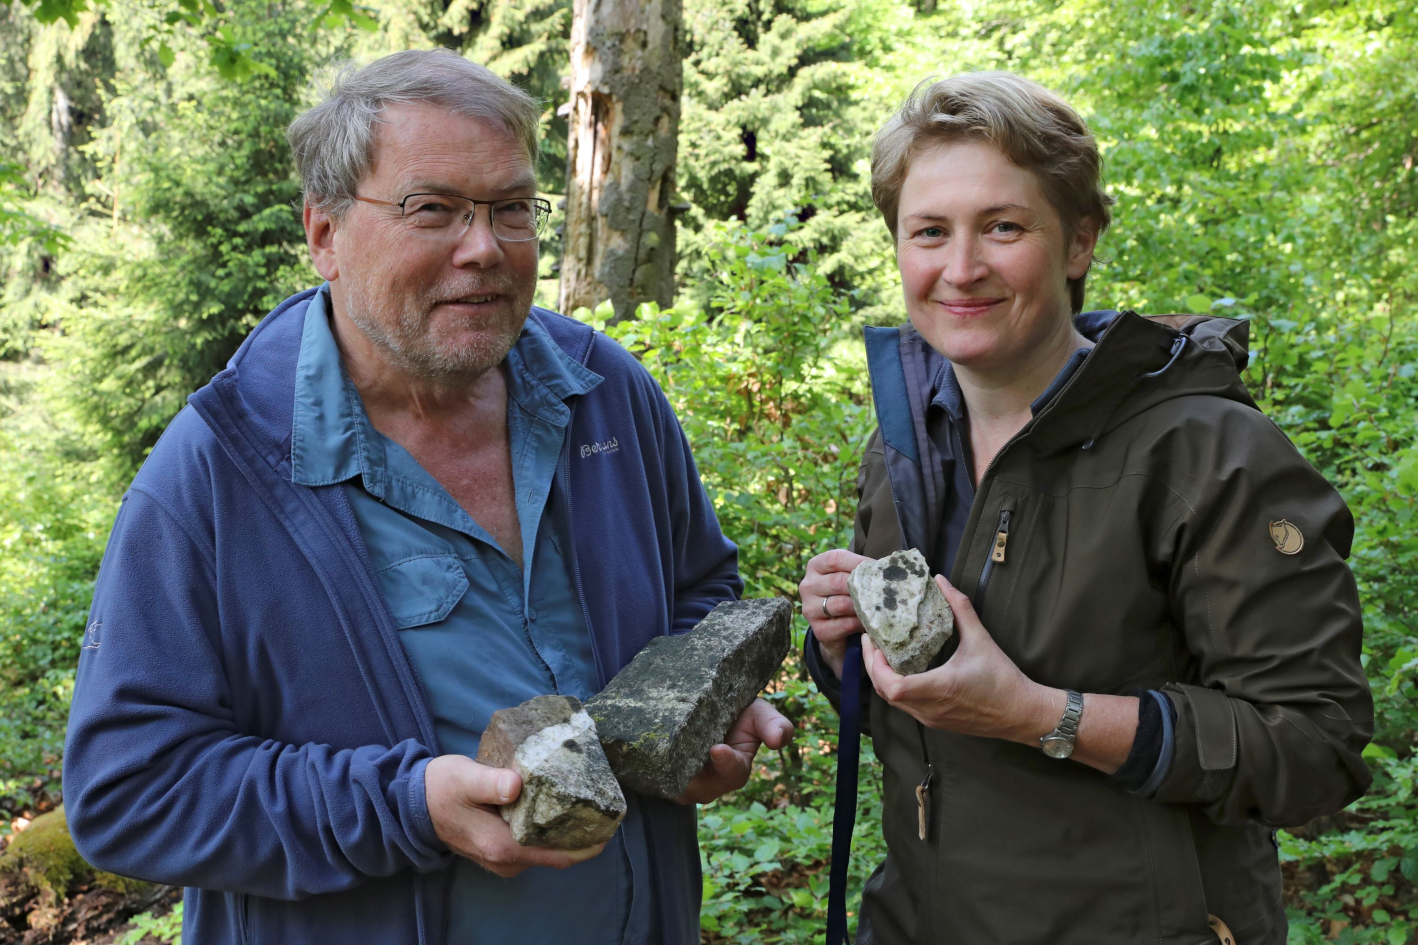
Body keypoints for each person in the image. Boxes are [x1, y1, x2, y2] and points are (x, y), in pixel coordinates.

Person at [62, 49, 793, 945]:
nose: (484, 247)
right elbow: (127, 792)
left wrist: (698, 715)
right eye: (433, 208)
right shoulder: (221, 470)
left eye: (512, 209)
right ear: (325, 235)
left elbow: (701, 592)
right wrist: (406, 805)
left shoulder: (603, 392)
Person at [799, 72, 1372, 945]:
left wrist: (1041, 713)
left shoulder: (1208, 453)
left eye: (1003, 226)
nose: (961, 268)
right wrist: (842, 646)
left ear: (1078, 242)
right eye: (929, 232)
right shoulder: (906, 439)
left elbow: (1312, 748)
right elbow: (921, 717)